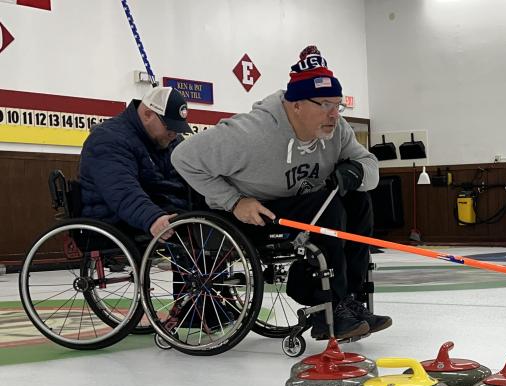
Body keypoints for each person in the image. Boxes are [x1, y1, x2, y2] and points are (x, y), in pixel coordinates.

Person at [172, 45, 390, 341]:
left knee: (357, 199)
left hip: (302, 204)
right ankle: (330, 309)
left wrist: (357, 173)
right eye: (324, 104)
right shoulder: (250, 135)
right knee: (329, 209)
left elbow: (370, 167)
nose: (334, 114)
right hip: (254, 214)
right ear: (296, 104)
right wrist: (233, 201)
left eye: (338, 105)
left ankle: (351, 300)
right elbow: (183, 157)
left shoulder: (337, 131)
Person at [79, 86, 194, 240]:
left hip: (167, 211)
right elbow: (121, 189)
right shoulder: (108, 139)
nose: (174, 134)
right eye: (169, 127)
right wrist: (153, 218)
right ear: (148, 115)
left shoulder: (171, 141)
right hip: (118, 223)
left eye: (178, 129)